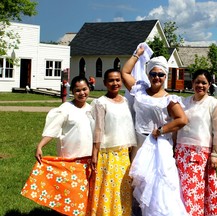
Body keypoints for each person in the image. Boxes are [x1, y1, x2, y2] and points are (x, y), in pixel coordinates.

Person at [121, 44, 189, 216]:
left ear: (165, 76)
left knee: (158, 185)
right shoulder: (140, 90)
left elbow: (182, 119)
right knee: (138, 182)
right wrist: (137, 54)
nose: (156, 77)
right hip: (139, 142)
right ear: (148, 74)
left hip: (158, 146)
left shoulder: (169, 99)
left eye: (160, 74)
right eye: (153, 74)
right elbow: (125, 73)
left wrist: (162, 129)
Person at [21, 76, 94, 216]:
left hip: (88, 159)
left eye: (84, 89)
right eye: (77, 90)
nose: (82, 93)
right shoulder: (66, 109)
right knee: (69, 195)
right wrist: (40, 145)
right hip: (70, 159)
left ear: (89, 89)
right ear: (72, 91)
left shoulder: (92, 109)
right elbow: (53, 128)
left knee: (84, 195)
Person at [175, 69, 217, 215]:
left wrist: (215, 154)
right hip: (181, 154)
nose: (200, 85)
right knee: (182, 191)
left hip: (200, 156)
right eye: (197, 82)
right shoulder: (184, 102)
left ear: (209, 84)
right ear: (192, 83)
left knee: (194, 192)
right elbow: (177, 126)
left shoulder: (214, 104)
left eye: (204, 82)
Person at [87, 69, 137, 216]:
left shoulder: (126, 101)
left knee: (122, 188)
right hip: (108, 153)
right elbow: (98, 129)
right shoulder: (100, 103)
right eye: (111, 80)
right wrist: (95, 153)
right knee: (109, 189)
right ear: (105, 83)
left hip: (123, 155)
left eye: (117, 80)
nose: (115, 83)